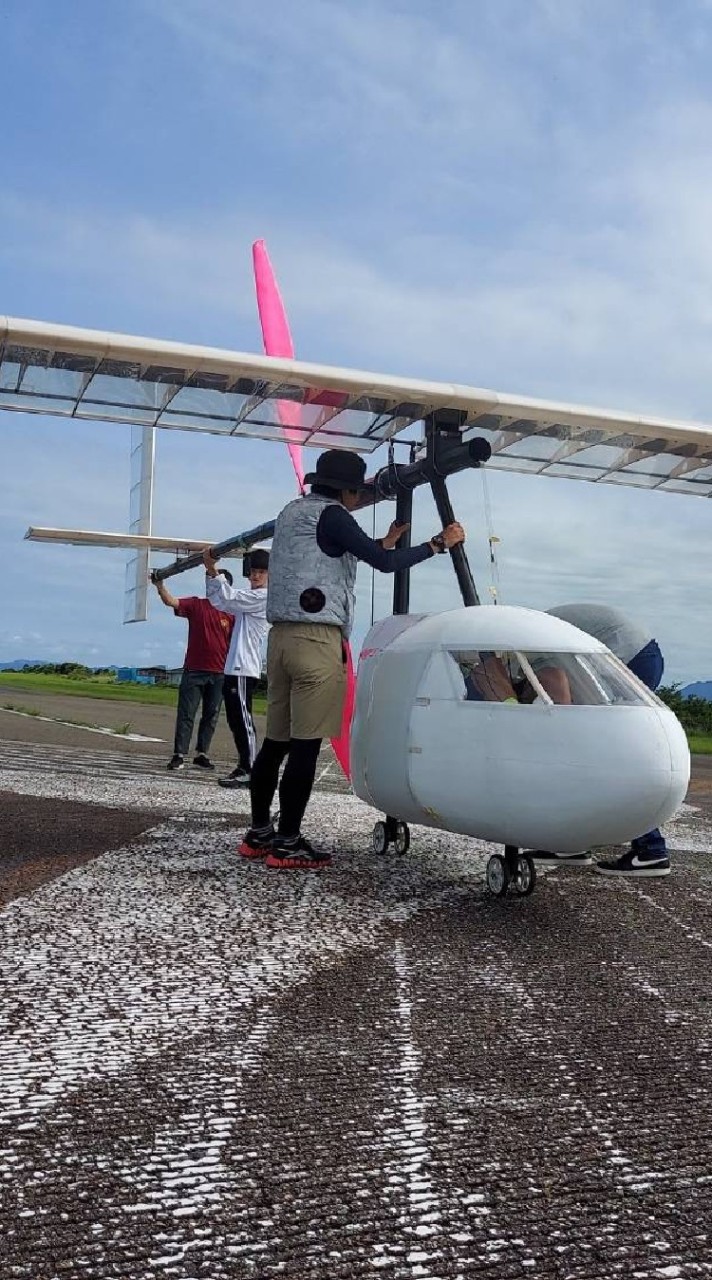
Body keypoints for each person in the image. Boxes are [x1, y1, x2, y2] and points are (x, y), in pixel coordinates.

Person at [239, 448, 466, 871]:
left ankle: (259, 833)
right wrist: (437, 544)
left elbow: (325, 557)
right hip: (316, 639)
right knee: (306, 745)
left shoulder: (292, 513)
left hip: (282, 639)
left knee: (277, 743)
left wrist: (384, 542)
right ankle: (288, 842)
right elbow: (383, 564)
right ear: (346, 490)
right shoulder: (334, 515)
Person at [533, 602, 670, 877]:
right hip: (640, 653)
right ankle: (571, 843)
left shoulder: (531, 646)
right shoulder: (536, 628)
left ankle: (651, 850)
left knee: (614, 754)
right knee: (593, 753)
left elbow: (561, 705)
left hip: (630, 658)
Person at [153, 570, 234, 771]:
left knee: (211, 714)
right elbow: (171, 601)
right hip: (194, 670)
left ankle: (202, 753)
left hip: (220, 672)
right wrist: (160, 586)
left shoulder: (232, 613)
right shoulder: (197, 604)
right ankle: (179, 754)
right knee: (187, 713)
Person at [203, 547, 269, 788]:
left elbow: (229, 598)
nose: (256, 576)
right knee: (235, 720)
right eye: (253, 572)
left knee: (243, 720)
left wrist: (212, 568)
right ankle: (244, 765)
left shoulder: (263, 597)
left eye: (261, 572)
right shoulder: (248, 599)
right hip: (235, 667)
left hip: (244, 667)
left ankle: (251, 768)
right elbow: (219, 601)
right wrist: (211, 575)